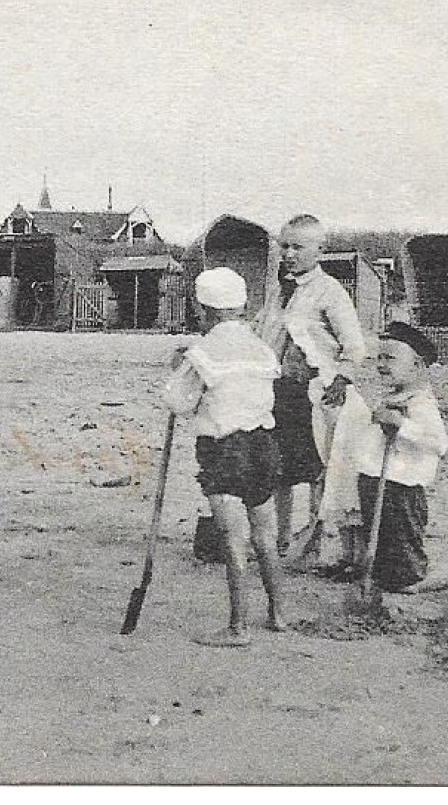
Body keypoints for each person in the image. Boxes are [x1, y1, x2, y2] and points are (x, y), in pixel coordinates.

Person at [161, 267, 286, 646]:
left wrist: (178, 369)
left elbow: (176, 401)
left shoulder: (203, 353)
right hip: (264, 445)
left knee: (233, 537)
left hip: (225, 449)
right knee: (265, 535)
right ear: (244, 305)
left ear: (203, 310)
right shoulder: (262, 349)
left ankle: (237, 627)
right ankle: (278, 613)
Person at [346, 322, 448, 593]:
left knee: (408, 581)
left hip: (401, 492)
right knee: (382, 560)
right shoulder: (391, 398)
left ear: (417, 365)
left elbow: (439, 444)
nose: (382, 365)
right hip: (375, 484)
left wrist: (401, 426)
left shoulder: (420, 404)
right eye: (379, 358)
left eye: (391, 358)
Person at [253, 214, 366, 562]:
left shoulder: (330, 292)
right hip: (277, 390)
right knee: (277, 469)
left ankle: (314, 541)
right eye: (284, 245)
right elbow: (261, 332)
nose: (289, 253)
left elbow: (355, 346)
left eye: (298, 247)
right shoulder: (277, 290)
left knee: (317, 469)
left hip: (314, 392)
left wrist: (342, 378)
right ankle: (280, 539)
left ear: (320, 249)